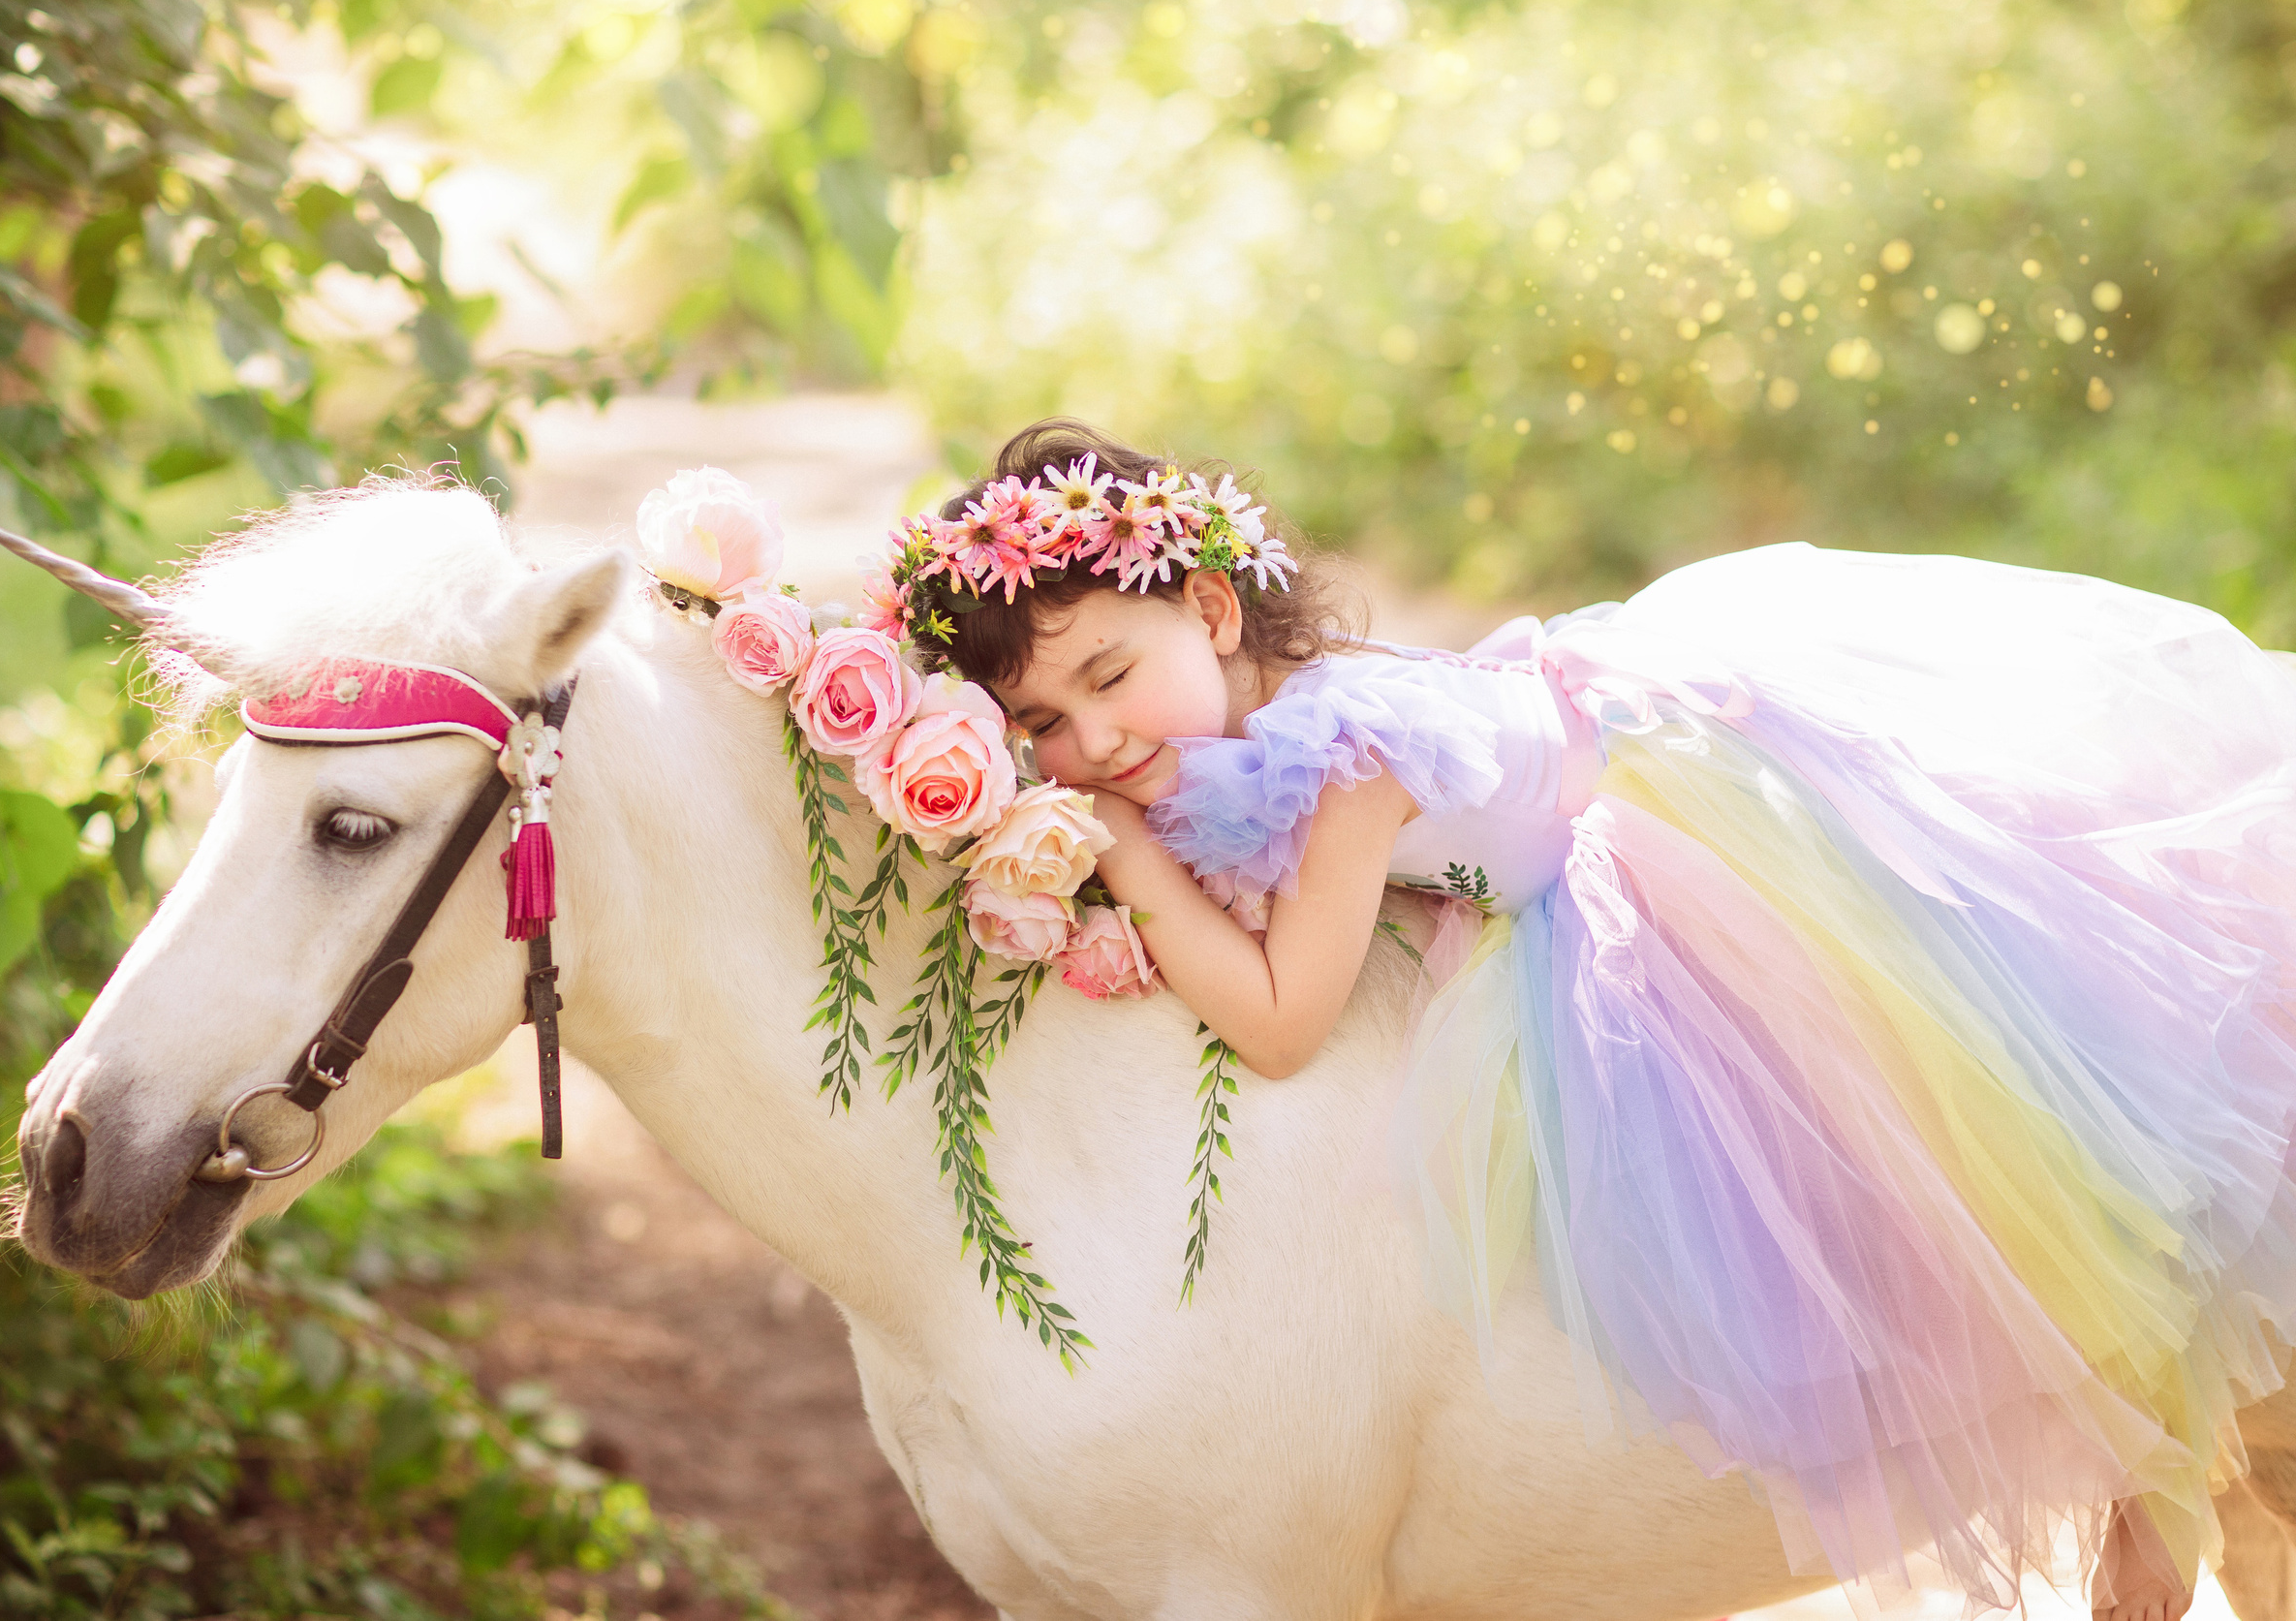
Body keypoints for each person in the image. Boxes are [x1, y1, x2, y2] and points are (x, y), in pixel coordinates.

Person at [898, 418, 2296, 1621]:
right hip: (1552, 838)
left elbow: (1281, 1022)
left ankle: (2150, 1433)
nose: (1092, 747)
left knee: (1934, 1131)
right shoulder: (1241, 745)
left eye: (1106, 677)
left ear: (1209, 612)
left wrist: (1128, 864)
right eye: (1044, 726)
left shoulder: (1347, 761)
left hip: (1698, 847)